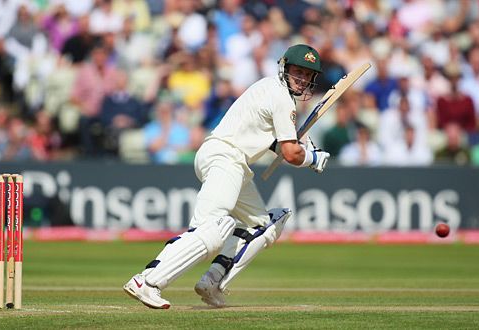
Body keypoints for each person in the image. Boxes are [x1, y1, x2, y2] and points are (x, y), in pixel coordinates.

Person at [123, 44, 330, 309]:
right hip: (226, 158)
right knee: (212, 229)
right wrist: (313, 158)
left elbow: (271, 143)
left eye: (307, 74)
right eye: (297, 71)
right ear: (285, 69)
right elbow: (290, 154)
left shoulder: (267, 88)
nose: (301, 78)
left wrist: (305, 150)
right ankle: (147, 281)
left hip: (231, 160)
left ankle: (212, 282)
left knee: (263, 225)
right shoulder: (281, 97)